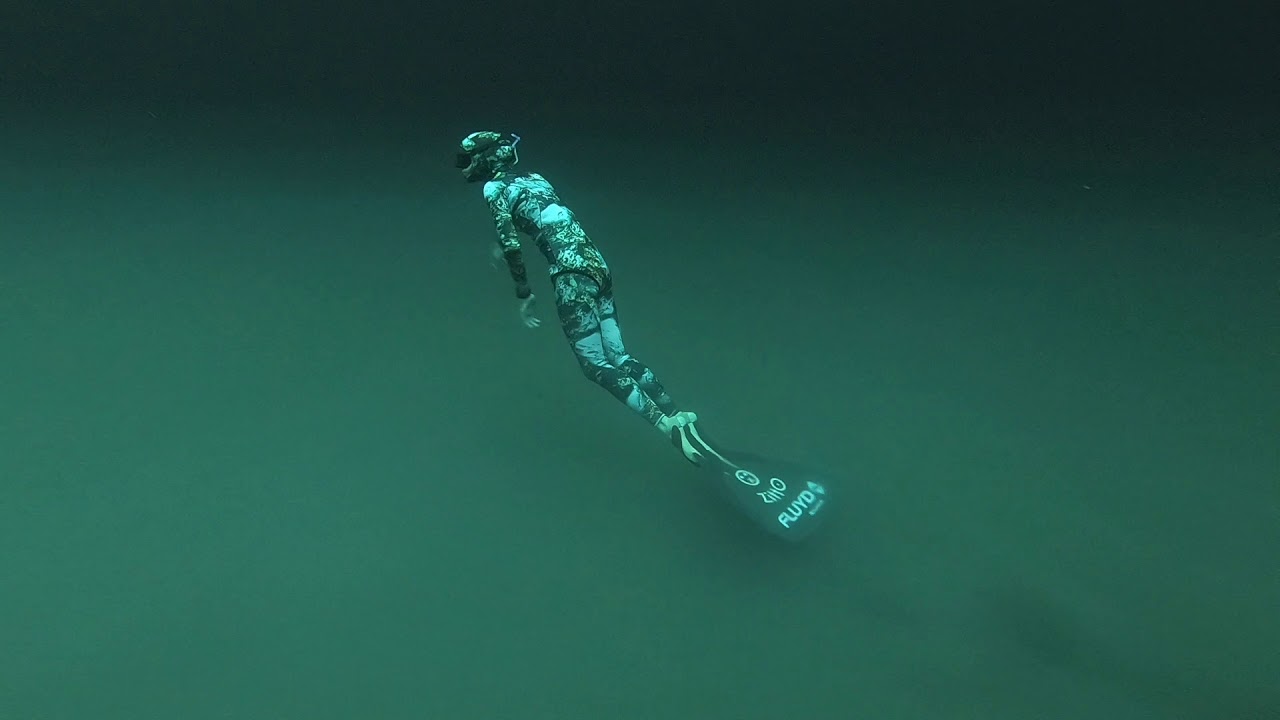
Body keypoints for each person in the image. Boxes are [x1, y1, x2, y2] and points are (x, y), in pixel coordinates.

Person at [455, 130, 700, 448]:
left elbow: (512, 241)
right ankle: (679, 415)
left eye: (464, 159)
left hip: (571, 276)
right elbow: (540, 217)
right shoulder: (537, 179)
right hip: (598, 266)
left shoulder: (494, 187)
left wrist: (524, 293)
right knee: (620, 355)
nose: (462, 167)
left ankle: (668, 428)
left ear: (483, 158)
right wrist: (500, 245)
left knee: (595, 363)